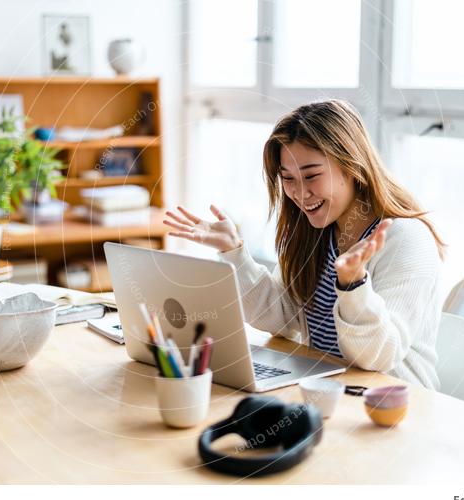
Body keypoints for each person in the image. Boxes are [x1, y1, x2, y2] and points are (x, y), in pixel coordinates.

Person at [164, 100, 445, 388]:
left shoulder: (407, 240)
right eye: (288, 179)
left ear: (351, 165)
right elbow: (282, 316)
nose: (300, 193)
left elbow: (379, 357)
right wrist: (233, 252)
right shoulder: (318, 230)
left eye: (311, 176)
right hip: (327, 391)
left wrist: (352, 285)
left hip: (391, 406)